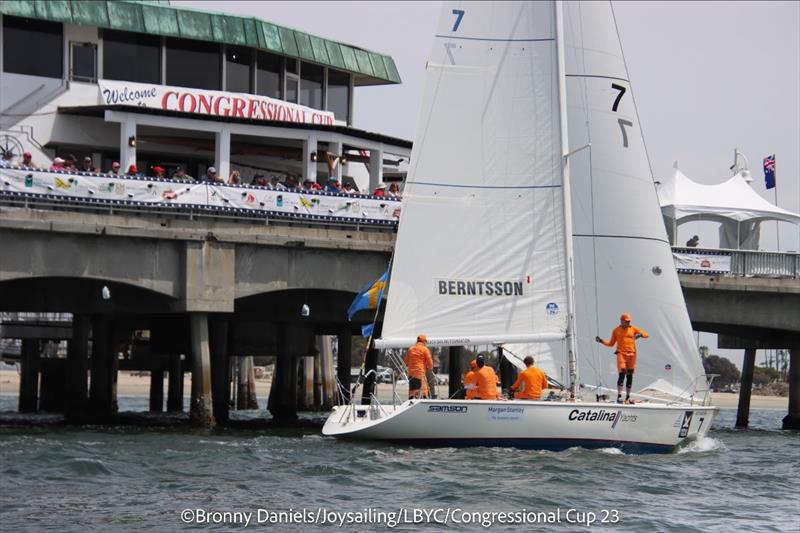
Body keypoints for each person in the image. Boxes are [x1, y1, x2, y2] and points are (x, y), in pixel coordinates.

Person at [596, 312, 650, 404]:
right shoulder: (616, 330)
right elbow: (611, 344)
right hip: (621, 354)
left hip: (632, 354)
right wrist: (601, 341)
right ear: (622, 321)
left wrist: (640, 335)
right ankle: (619, 396)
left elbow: (647, 334)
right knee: (622, 373)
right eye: (626, 321)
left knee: (630, 375)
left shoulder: (633, 329)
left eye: (629, 321)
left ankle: (628, 397)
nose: (628, 323)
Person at [403, 334, 433, 399]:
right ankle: (424, 403)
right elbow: (430, 361)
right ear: (423, 341)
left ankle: (411, 402)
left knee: (412, 391)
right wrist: (429, 368)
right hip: (420, 374)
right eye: (425, 341)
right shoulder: (425, 349)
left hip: (411, 374)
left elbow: (406, 362)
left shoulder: (411, 349)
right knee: (424, 391)